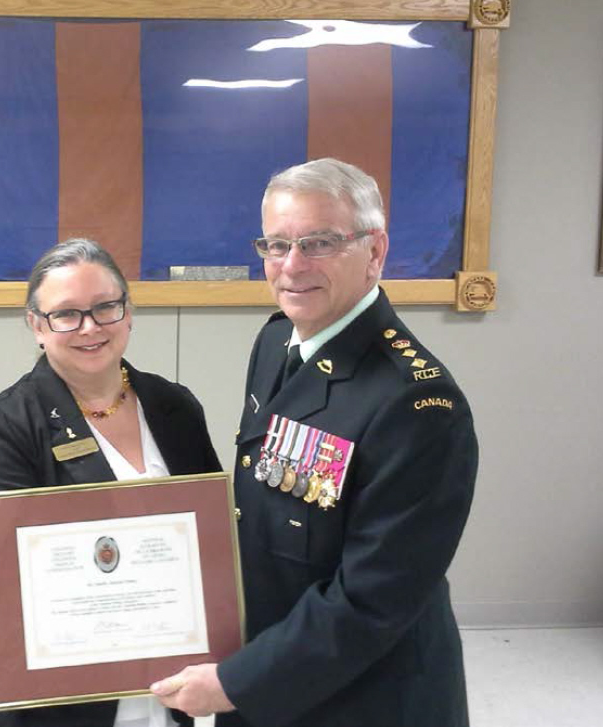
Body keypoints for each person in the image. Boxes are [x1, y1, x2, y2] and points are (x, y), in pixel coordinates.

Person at [151, 158, 477, 727]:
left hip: (365, 695)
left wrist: (235, 682)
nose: (291, 266)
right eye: (276, 245)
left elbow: (372, 600)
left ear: (374, 251)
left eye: (318, 242)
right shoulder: (278, 339)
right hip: (269, 659)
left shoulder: (416, 405)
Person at [0, 238, 222, 727]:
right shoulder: (4, 425)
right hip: (52, 691)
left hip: (162, 672)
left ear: (129, 312)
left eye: (105, 308)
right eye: (66, 314)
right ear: (36, 325)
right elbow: (2, 574)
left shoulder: (175, 407)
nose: (89, 328)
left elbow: (211, 535)